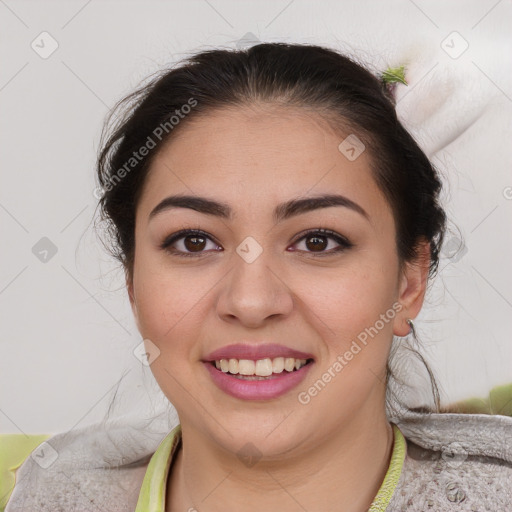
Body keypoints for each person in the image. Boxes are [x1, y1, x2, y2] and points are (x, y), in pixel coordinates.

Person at [6, 42, 512, 512]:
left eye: (318, 240)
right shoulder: (53, 493)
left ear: (409, 283)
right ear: (133, 283)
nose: (250, 301)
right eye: (194, 241)